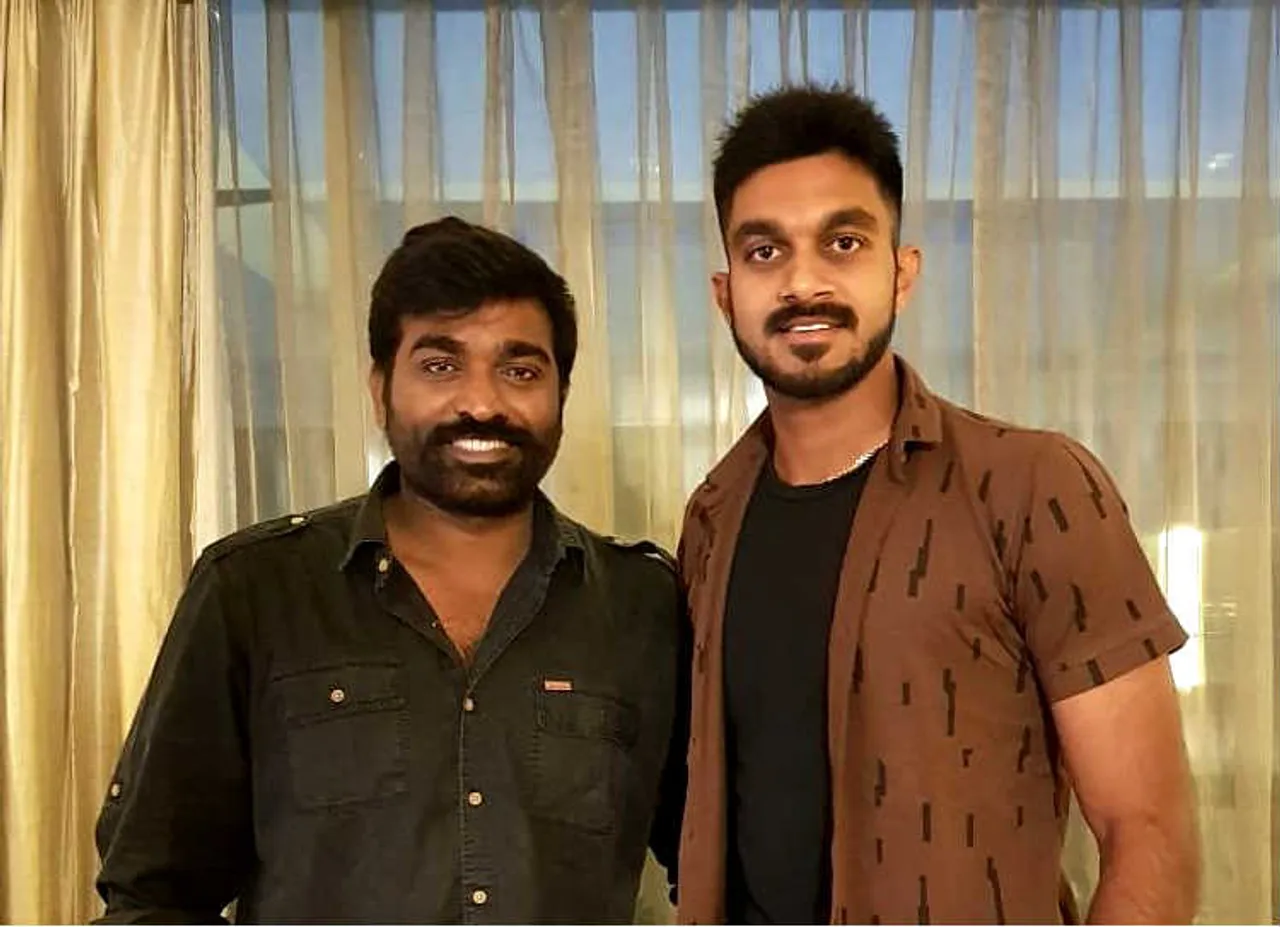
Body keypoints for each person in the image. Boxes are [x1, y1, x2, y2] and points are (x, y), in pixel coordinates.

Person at [672, 86, 1200, 925]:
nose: (803, 281)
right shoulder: (711, 516)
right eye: (765, 251)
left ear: (902, 272)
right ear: (725, 290)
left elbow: (1149, 835)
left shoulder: (1033, 486)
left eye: (843, 242)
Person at [94, 217, 688, 923]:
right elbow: (153, 894)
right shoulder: (253, 590)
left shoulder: (643, 605)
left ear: (562, 395)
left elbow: (717, 866)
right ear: (380, 389)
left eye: (520, 370)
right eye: (439, 365)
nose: (481, 402)